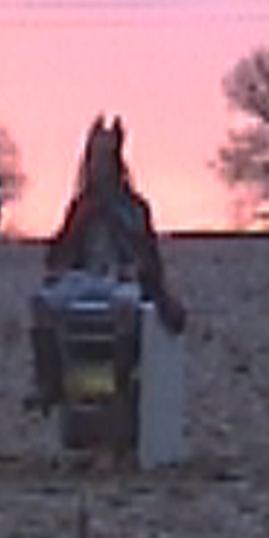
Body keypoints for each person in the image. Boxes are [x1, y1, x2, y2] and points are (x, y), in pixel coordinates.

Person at [30, 116, 185, 406]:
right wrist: (60, 267)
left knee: (126, 307)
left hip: (121, 280)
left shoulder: (134, 208)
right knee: (43, 303)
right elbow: (58, 253)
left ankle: (117, 380)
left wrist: (140, 271)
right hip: (85, 279)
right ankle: (49, 382)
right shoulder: (81, 207)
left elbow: (149, 259)